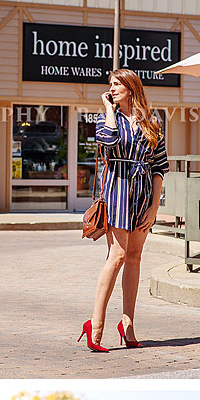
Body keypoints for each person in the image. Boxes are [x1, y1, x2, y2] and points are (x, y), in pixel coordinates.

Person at [80, 68, 169, 352]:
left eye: (118, 84)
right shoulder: (107, 119)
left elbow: (159, 168)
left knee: (135, 257)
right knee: (117, 255)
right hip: (117, 192)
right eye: (111, 85)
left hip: (143, 196)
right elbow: (107, 142)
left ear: (131, 88)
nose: (113, 88)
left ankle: (128, 325)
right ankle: (96, 324)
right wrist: (108, 109)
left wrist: (154, 207)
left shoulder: (151, 123)